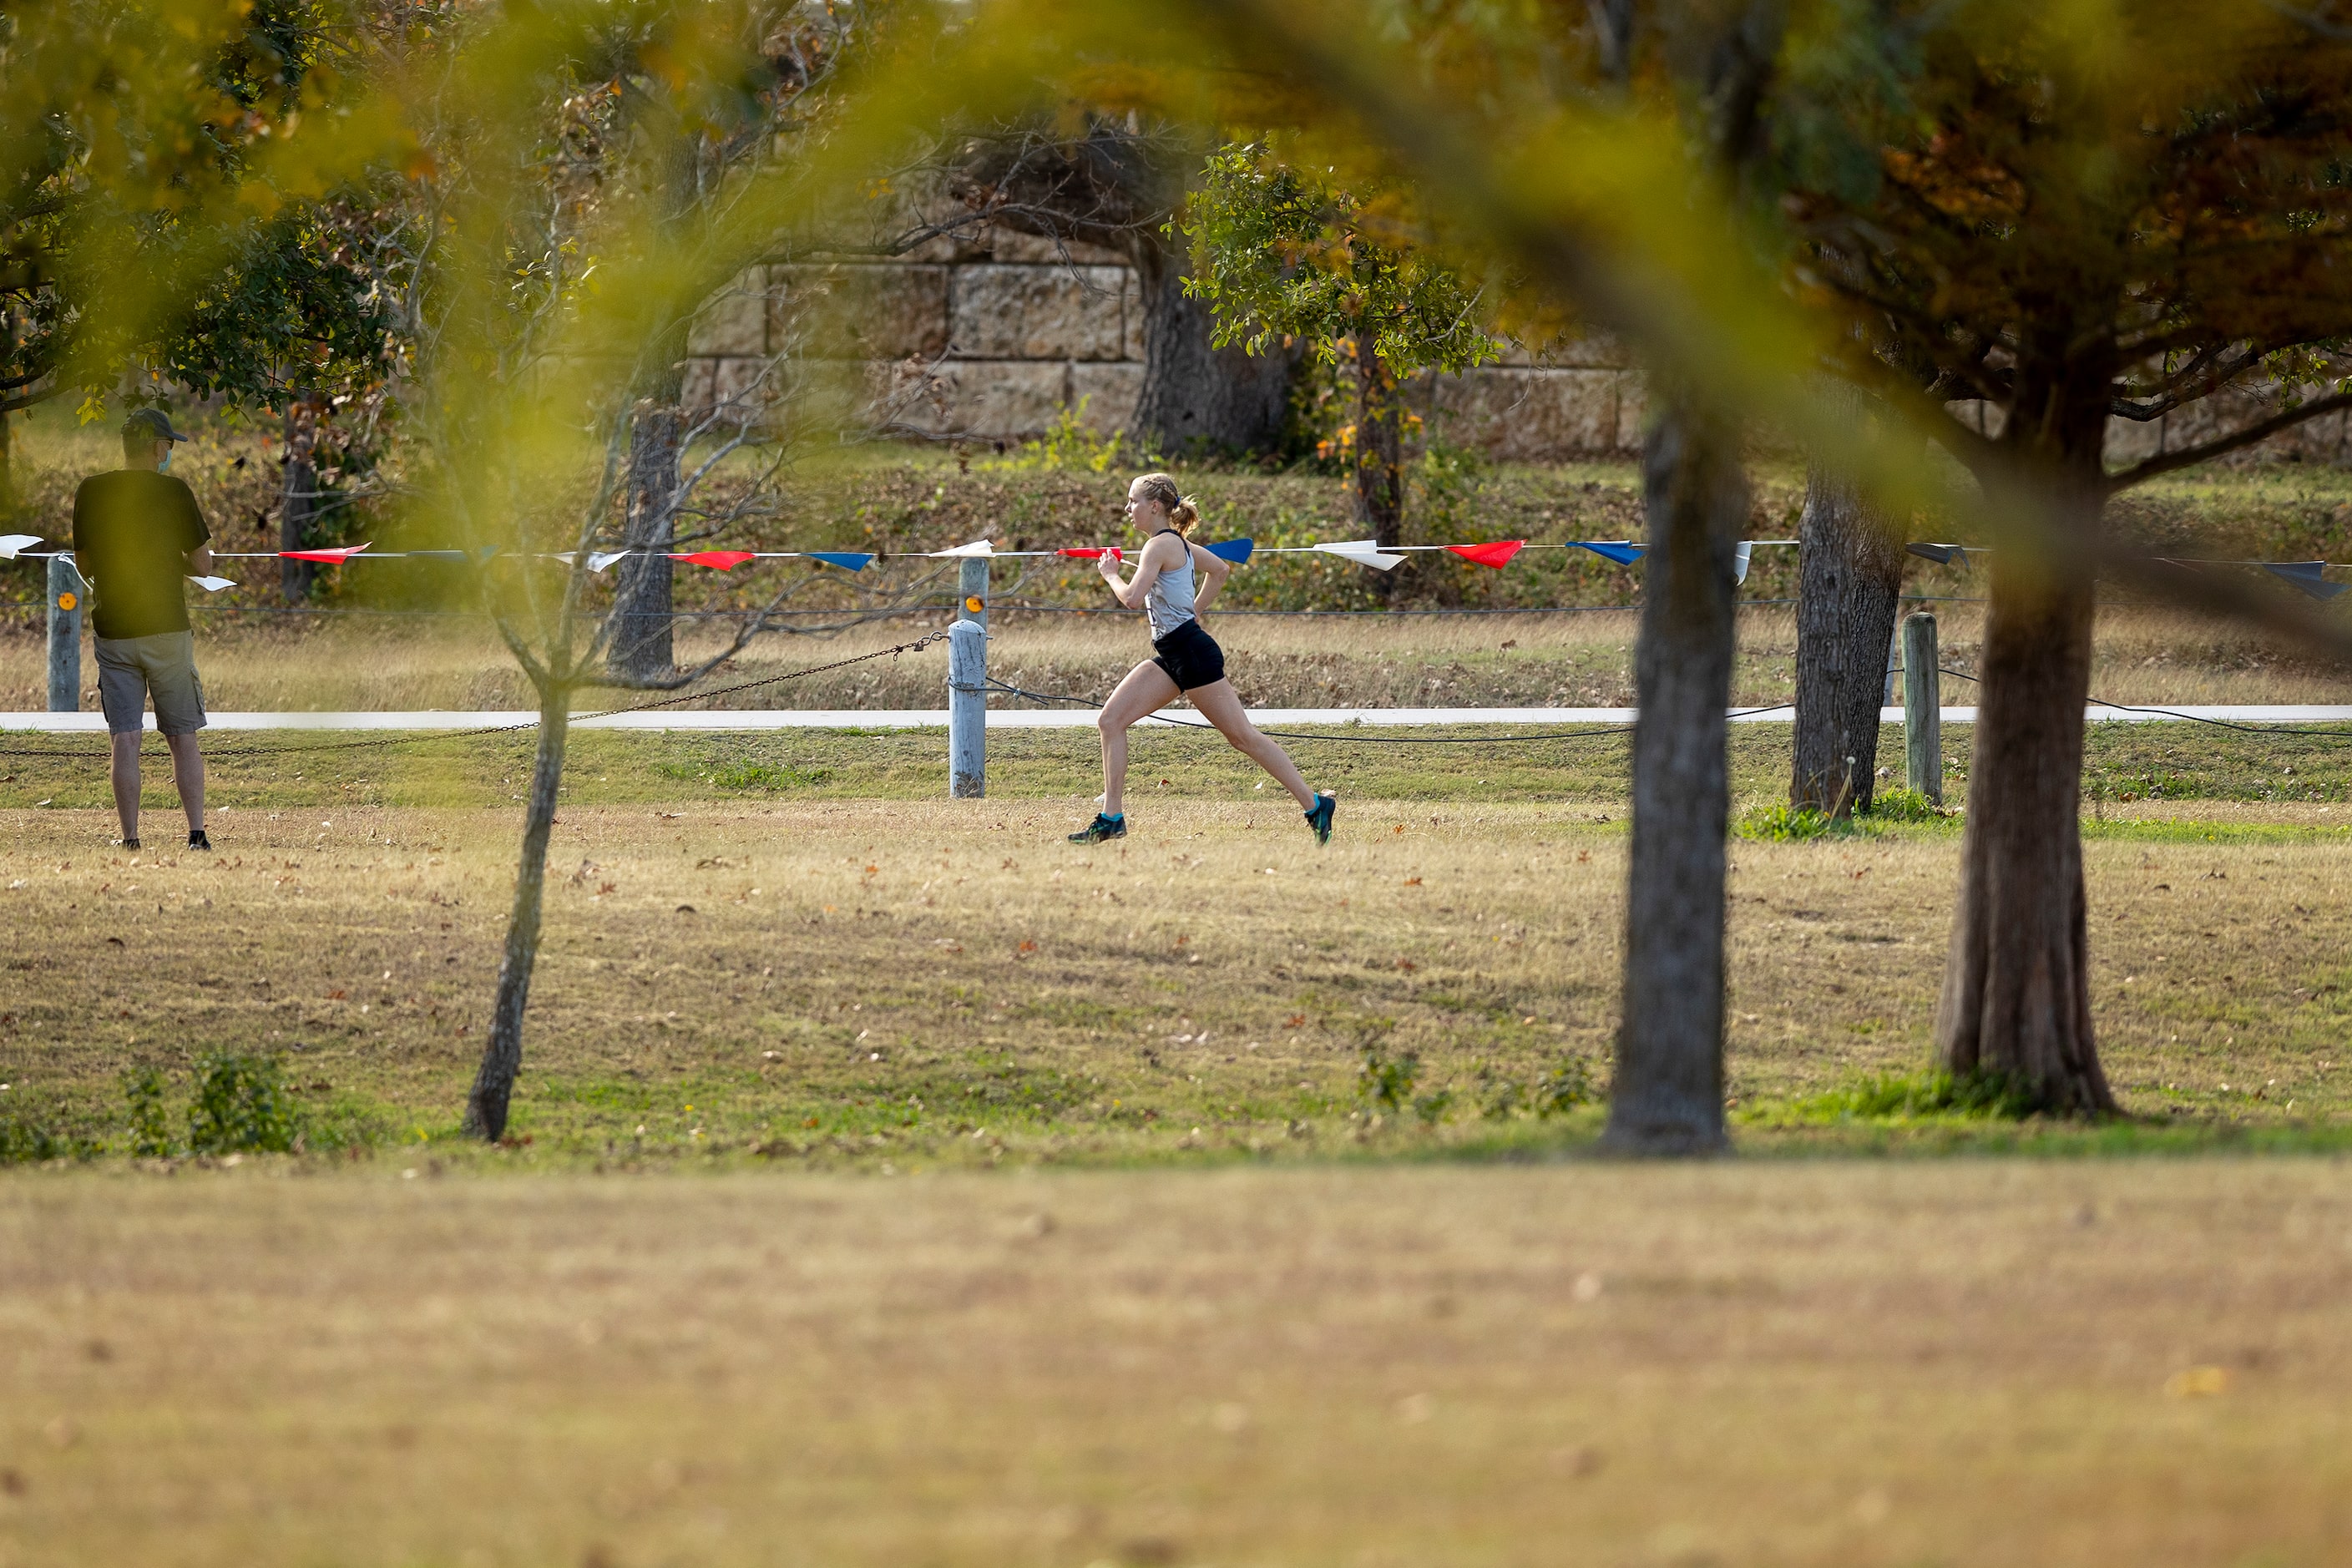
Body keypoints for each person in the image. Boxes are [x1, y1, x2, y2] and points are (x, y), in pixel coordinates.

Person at [1070, 472, 1336, 846]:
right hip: (1175, 651)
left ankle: (1315, 805)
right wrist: (1194, 610)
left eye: (1133, 502)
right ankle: (1111, 818)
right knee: (1111, 720)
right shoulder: (1176, 543)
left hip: (1191, 653)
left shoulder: (1159, 546)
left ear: (1155, 506)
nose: (1128, 509)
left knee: (1243, 737)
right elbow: (1221, 570)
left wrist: (1110, 574)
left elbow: (1131, 598)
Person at [72, 407, 213, 852]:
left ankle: (130, 838)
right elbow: (203, 564)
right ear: (157, 448)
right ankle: (196, 834)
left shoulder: (91, 492)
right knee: (181, 734)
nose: (169, 453)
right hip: (167, 629)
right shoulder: (175, 492)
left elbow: (84, 565)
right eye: (169, 445)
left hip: (115, 631)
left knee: (125, 736)